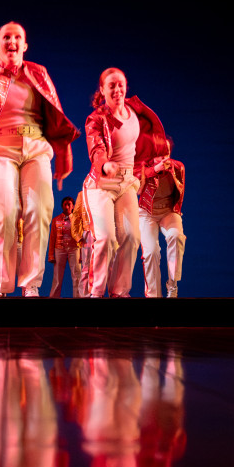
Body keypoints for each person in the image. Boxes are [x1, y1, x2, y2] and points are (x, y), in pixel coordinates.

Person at [0, 22, 79, 297]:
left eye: (17, 37)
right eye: (6, 37)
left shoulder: (38, 73)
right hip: (2, 147)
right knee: (5, 213)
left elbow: (55, 113)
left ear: (25, 45)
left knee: (40, 210)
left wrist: (63, 153)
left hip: (35, 146)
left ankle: (31, 284)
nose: (12, 41)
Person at [82, 68, 170, 297]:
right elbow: (96, 147)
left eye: (120, 84)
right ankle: (96, 292)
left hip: (127, 182)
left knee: (131, 236)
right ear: (102, 90)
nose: (117, 89)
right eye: (111, 85)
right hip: (102, 183)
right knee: (106, 238)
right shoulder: (96, 118)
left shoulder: (135, 113)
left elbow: (144, 144)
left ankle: (120, 292)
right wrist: (104, 164)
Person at [137, 146, 186, 298]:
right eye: (159, 155)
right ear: (152, 156)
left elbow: (180, 191)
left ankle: (172, 285)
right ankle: (153, 295)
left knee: (176, 236)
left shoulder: (177, 167)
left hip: (168, 211)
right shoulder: (142, 168)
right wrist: (154, 170)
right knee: (151, 252)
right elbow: (137, 188)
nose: (163, 158)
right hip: (147, 213)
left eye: (166, 153)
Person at [48, 196, 82, 298]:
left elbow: (80, 237)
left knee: (77, 274)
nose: (67, 206)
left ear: (73, 206)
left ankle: (78, 296)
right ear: (62, 205)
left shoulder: (77, 220)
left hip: (74, 248)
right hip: (59, 248)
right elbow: (52, 238)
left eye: (69, 204)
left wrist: (81, 254)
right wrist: (51, 255)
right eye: (65, 204)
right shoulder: (56, 220)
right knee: (57, 276)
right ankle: (54, 296)